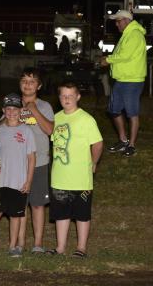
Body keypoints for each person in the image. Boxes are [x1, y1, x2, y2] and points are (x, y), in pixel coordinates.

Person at [47, 81, 103, 258]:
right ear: (59, 97)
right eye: (63, 95)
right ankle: (60, 247)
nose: (67, 99)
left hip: (80, 178)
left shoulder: (86, 119)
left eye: (70, 95)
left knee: (82, 215)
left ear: (78, 97)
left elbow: (98, 143)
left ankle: (81, 248)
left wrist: (94, 162)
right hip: (59, 177)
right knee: (61, 215)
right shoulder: (56, 118)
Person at [0, 93, 36, 259]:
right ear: (3, 110)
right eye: (8, 109)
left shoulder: (26, 130)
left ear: (21, 111)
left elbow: (31, 158)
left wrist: (29, 180)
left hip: (18, 182)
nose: (12, 112)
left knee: (15, 215)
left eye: (15, 109)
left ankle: (13, 247)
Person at [100, 9, 146, 157]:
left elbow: (125, 55)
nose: (116, 23)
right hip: (121, 79)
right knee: (114, 110)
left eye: (118, 20)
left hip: (132, 80)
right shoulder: (126, 35)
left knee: (132, 113)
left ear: (126, 20)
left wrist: (107, 60)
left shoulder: (135, 34)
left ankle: (131, 145)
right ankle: (123, 140)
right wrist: (109, 58)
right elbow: (121, 55)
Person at [17, 68, 54, 254]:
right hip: (18, 164)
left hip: (39, 162)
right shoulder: (13, 104)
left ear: (38, 85)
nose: (28, 85)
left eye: (32, 82)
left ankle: (38, 244)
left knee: (37, 204)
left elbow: (49, 130)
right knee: (20, 205)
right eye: (24, 81)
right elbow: (1, 130)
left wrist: (33, 110)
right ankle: (20, 243)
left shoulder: (45, 106)